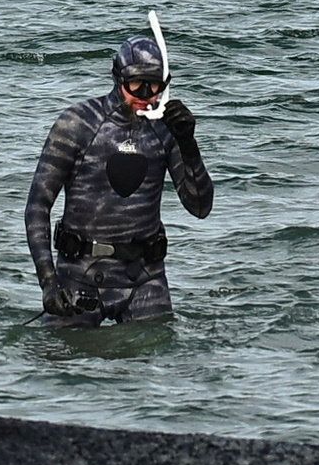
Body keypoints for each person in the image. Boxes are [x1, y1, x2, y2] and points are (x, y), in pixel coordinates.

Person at [23, 33, 212, 324]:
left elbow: (200, 208)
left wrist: (188, 144)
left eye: (154, 86)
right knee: (59, 360)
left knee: (161, 359)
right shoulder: (78, 124)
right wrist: (49, 282)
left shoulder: (166, 131)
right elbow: (38, 206)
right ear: (117, 78)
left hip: (145, 277)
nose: (145, 95)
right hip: (80, 275)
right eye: (135, 84)